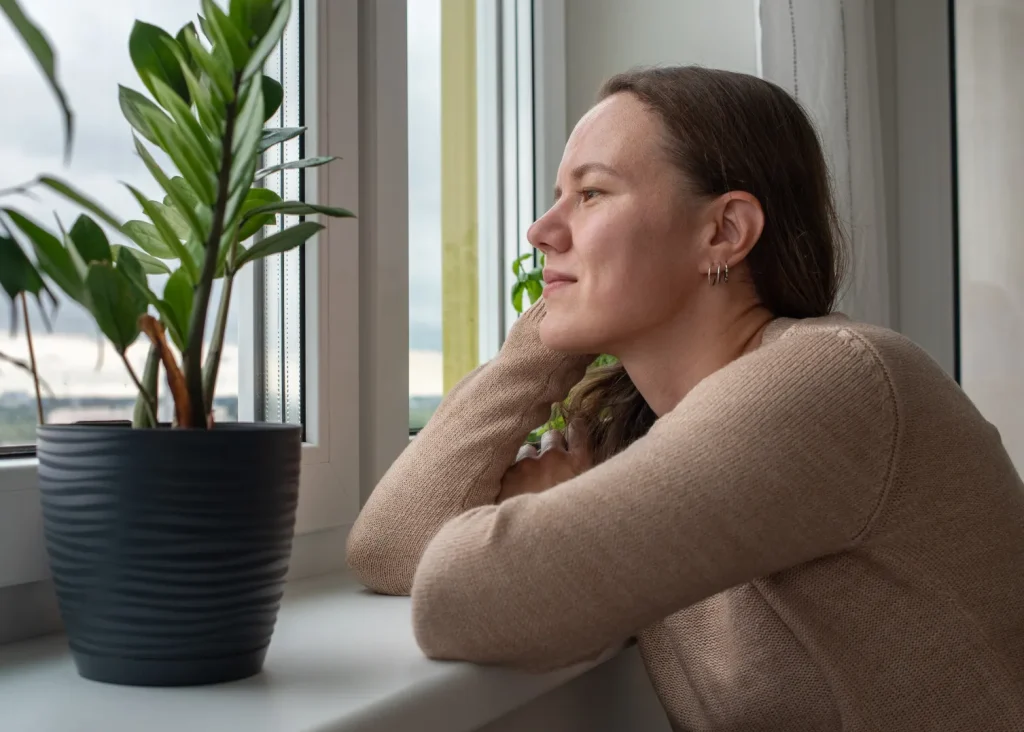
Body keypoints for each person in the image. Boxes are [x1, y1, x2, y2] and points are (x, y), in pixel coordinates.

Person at [346, 66, 1024, 730]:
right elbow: (389, 546)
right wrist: (544, 344)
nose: (541, 230)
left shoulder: (835, 381)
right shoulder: (638, 438)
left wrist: (544, 514)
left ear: (724, 232)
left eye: (591, 195)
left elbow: (460, 595)